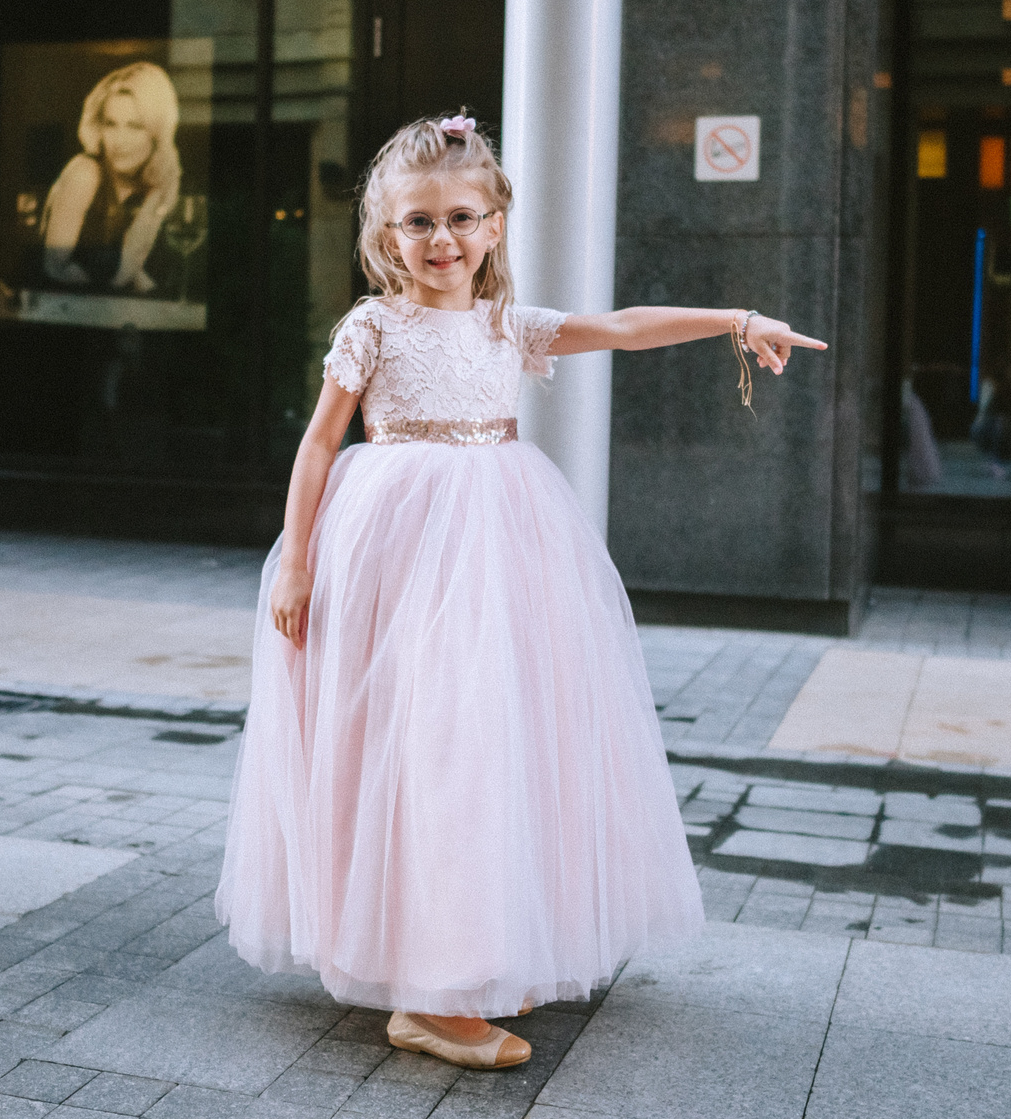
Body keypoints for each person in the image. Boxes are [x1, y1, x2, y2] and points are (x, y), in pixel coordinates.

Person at [217, 114, 827, 1068]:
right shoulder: (373, 325)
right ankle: (431, 994)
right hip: (393, 542)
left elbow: (623, 327)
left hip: (502, 538)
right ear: (386, 236)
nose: (442, 240)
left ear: (495, 224)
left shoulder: (507, 324)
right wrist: (295, 556)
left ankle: (471, 952)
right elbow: (318, 442)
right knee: (418, 745)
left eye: (461, 217)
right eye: (417, 223)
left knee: (490, 742)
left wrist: (738, 322)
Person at [39, 61, 182, 294]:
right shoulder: (85, 173)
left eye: (135, 126)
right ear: (99, 126)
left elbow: (132, 273)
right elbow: (54, 269)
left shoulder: (157, 185)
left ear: (158, 132)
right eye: (111, 124)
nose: (119, 140)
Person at [969, 357, 1011, 479]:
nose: (1010, 374)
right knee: (999, 423)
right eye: (1007, 371)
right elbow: (983, 410)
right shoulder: (990, 385)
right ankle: (994, 461)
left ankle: (998, 460)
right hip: (986, 428)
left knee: (1004, 426)